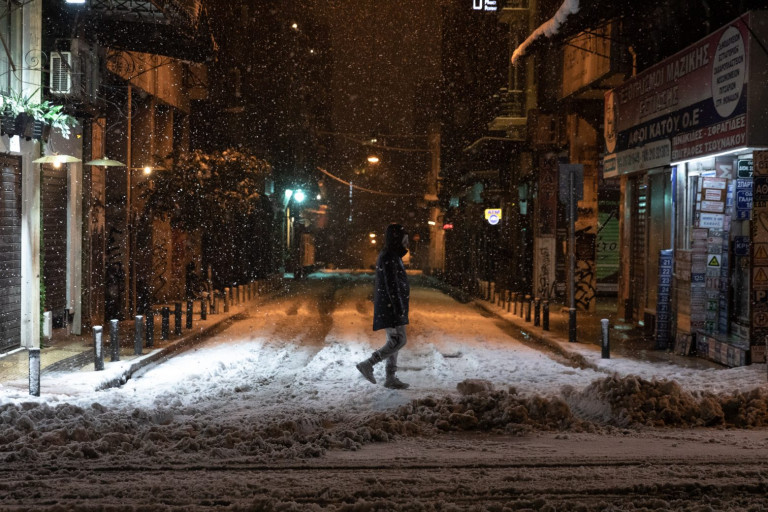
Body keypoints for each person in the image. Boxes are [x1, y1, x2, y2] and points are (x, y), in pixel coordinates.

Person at [356, 223, 411, 389]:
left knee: (394, 341)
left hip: (392, 305)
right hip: (391, 307)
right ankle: (368, 364)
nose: (407, 244)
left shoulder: (392, 256)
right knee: (399, 340)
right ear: (396, 239)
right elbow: (391, 285)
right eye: (404, 240)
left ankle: (390, 377)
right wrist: (397, 305)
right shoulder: (389, 257)